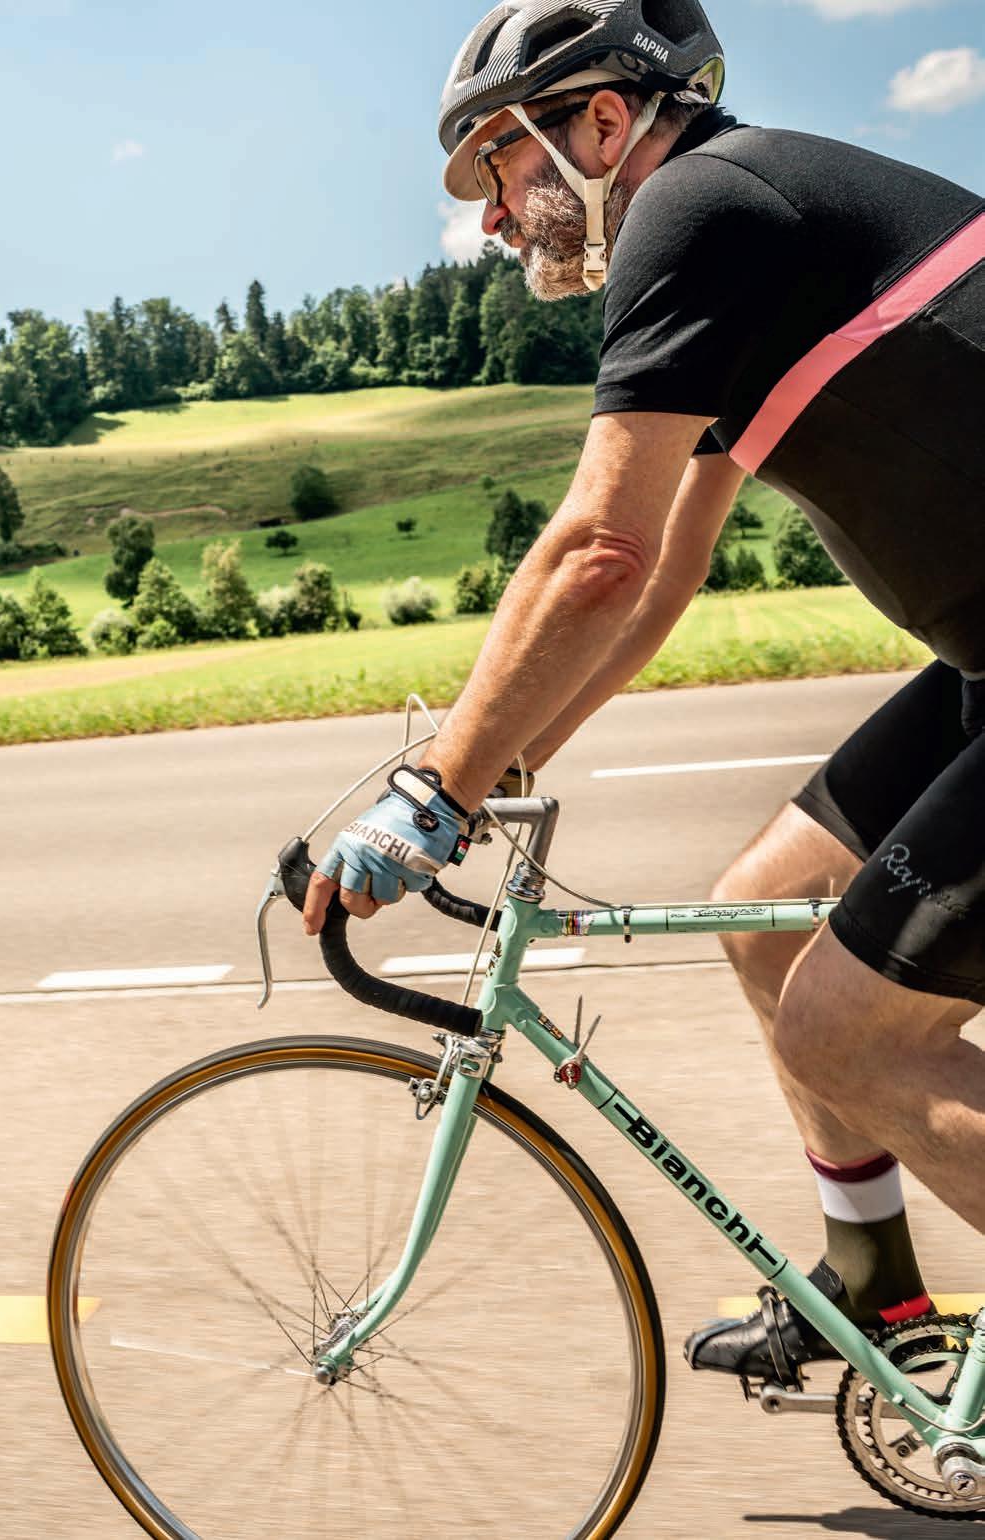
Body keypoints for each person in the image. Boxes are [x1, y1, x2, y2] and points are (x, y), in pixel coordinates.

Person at [302, 0, 985, 1387]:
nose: (492, 215)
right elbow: (659, 580)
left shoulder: (698, 207)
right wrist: (495, 766)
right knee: (764, 923)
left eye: (499, 162)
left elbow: (596, 553)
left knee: (848, 1029)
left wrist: (433, 793)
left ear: (603, 123)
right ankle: (875, 1298)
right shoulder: (745, 230)